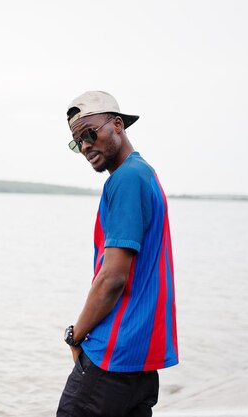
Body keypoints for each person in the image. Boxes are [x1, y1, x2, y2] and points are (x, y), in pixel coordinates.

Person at [57, 91, 178, 417]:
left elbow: (112, 278)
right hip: (140, 362)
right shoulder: (145, 175)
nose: (84, 146)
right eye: (77, 142)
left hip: (111, 358)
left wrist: (75, 335)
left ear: (117, 124)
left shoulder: (125, 180)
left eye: (89, 133)